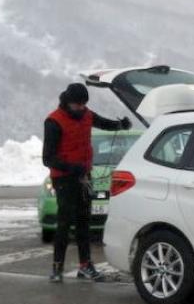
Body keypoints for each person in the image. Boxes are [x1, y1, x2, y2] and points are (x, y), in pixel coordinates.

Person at [42, 83, 132, 282]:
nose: (81, 108)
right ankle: (57, 268)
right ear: (68, 101)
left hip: (84, 177)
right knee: (65, 223)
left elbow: (104, 123)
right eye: (77, 105)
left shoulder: (86, 114)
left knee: (84, 222)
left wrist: (120, 125)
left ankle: (86, 266)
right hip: (64, 178)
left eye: (84, 104)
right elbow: (47, 158)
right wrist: (71, 168)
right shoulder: (54, 121)